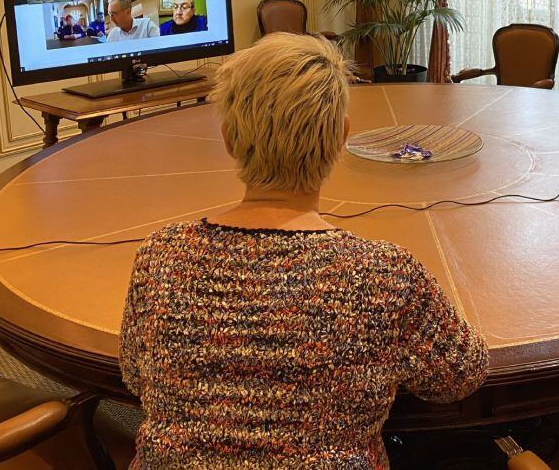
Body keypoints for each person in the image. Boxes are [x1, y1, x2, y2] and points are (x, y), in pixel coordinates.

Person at [119, 34, 488, 468]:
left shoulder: (160, 257)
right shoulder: (384, 275)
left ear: (229, 139)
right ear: (341, 138)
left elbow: (134, 377)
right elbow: (458, 376)